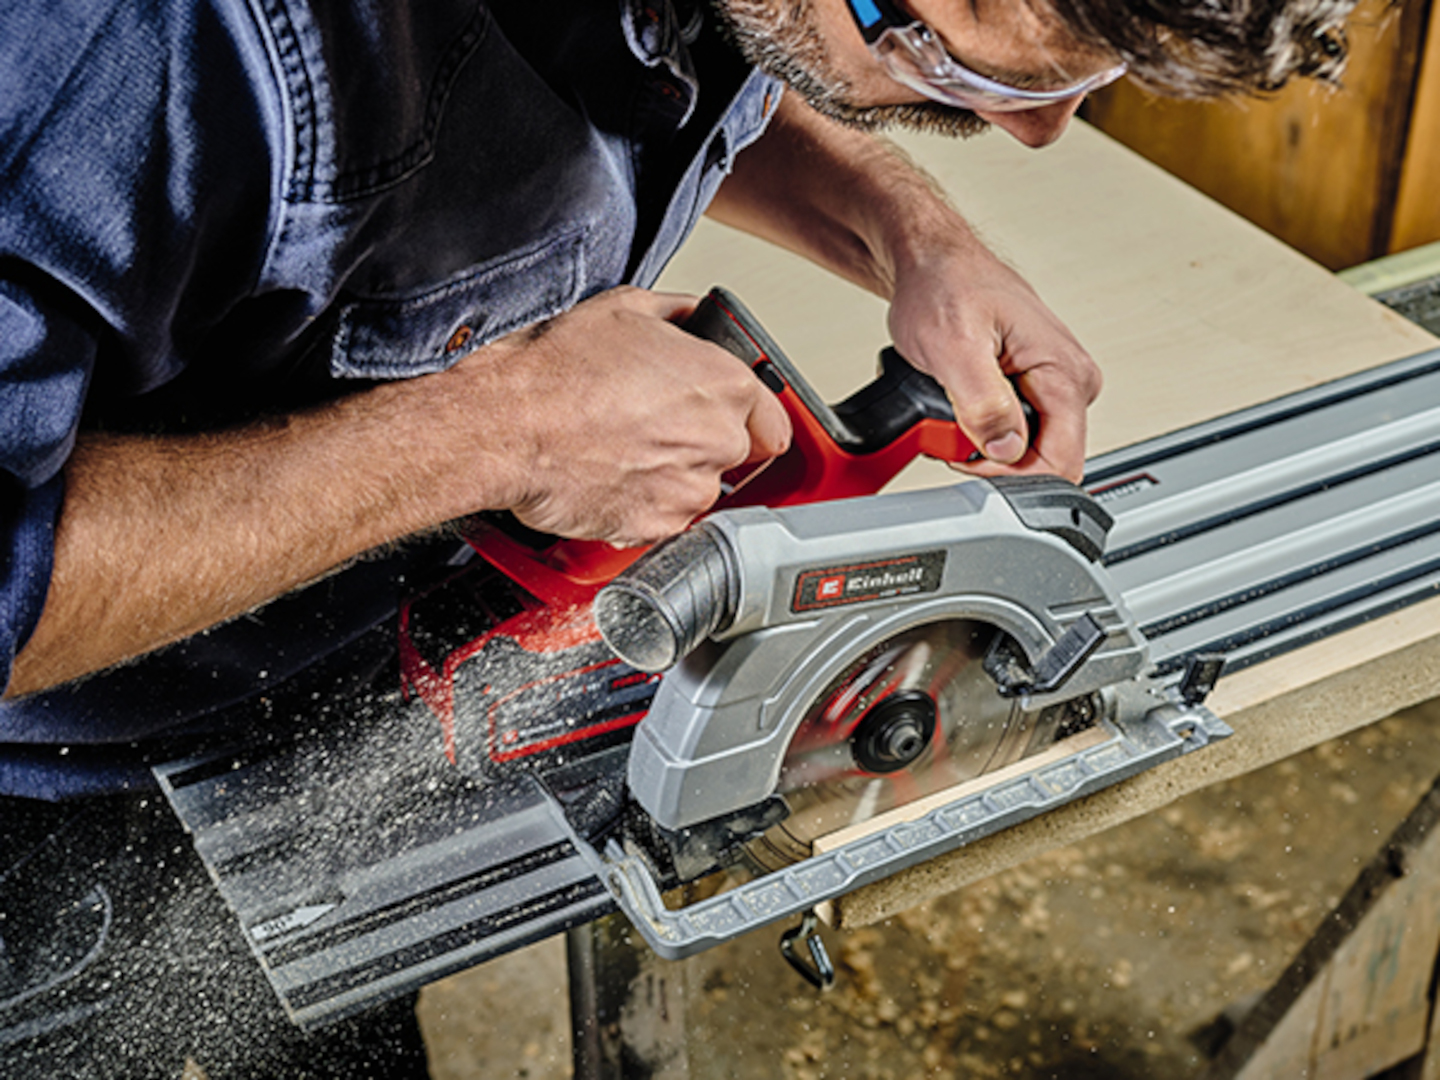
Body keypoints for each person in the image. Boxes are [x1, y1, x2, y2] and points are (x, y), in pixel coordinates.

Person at [0, 0, 1353, 1074]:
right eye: (949, 55)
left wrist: (906, 230)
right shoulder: (166, 42)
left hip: (339, 678)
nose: (1044, 136)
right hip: (55, 791)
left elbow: (675, 65)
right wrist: (500, 433)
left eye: (1070, 85)